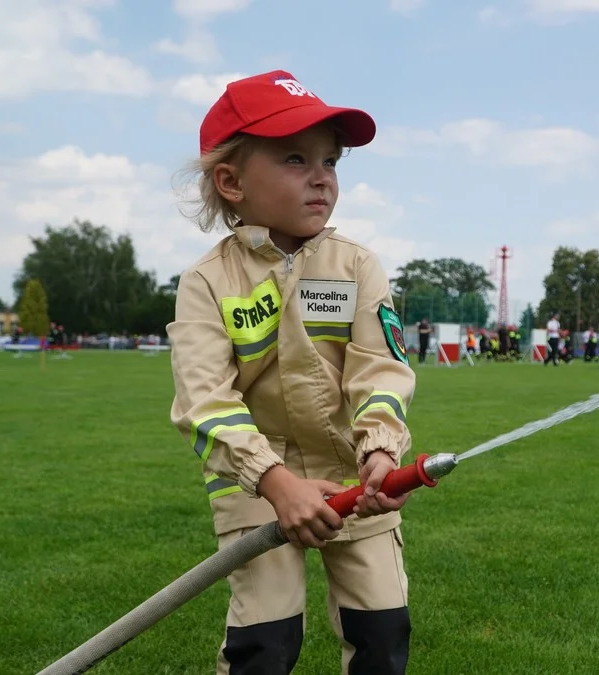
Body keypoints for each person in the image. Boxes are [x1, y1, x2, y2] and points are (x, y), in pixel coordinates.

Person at [166, 70, 418, 675]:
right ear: (230, 181)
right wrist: (275, 483)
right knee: (265, 642)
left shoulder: (357, 266)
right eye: (295, 159)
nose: (322, 177)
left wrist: (380, 452)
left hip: (355, 482)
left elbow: (379, 369)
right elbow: (205, 404)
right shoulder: (207, 282)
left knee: (382, 631)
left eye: (331, 161)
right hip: (258, 485)